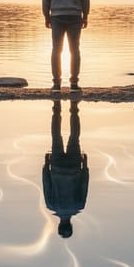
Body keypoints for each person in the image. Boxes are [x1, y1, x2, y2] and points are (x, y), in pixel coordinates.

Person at [42, 0, 90, 93]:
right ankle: (74, 84)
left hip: (56, 15)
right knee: (74, 49)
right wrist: (86, 14)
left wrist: (46, 15)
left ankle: (56, 84)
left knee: (56, 49)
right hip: (75, 15)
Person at [42, 99, 89, 238]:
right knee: (56, 137)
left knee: (74, 137)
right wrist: (46, 166)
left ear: (71, 225)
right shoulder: (51, 205)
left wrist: (85, 167)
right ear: (59, 225)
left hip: (74, 166)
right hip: (56, 167)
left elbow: (84, 185)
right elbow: (46, 184)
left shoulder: (79, 206)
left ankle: (74, 108)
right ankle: (56, 108)